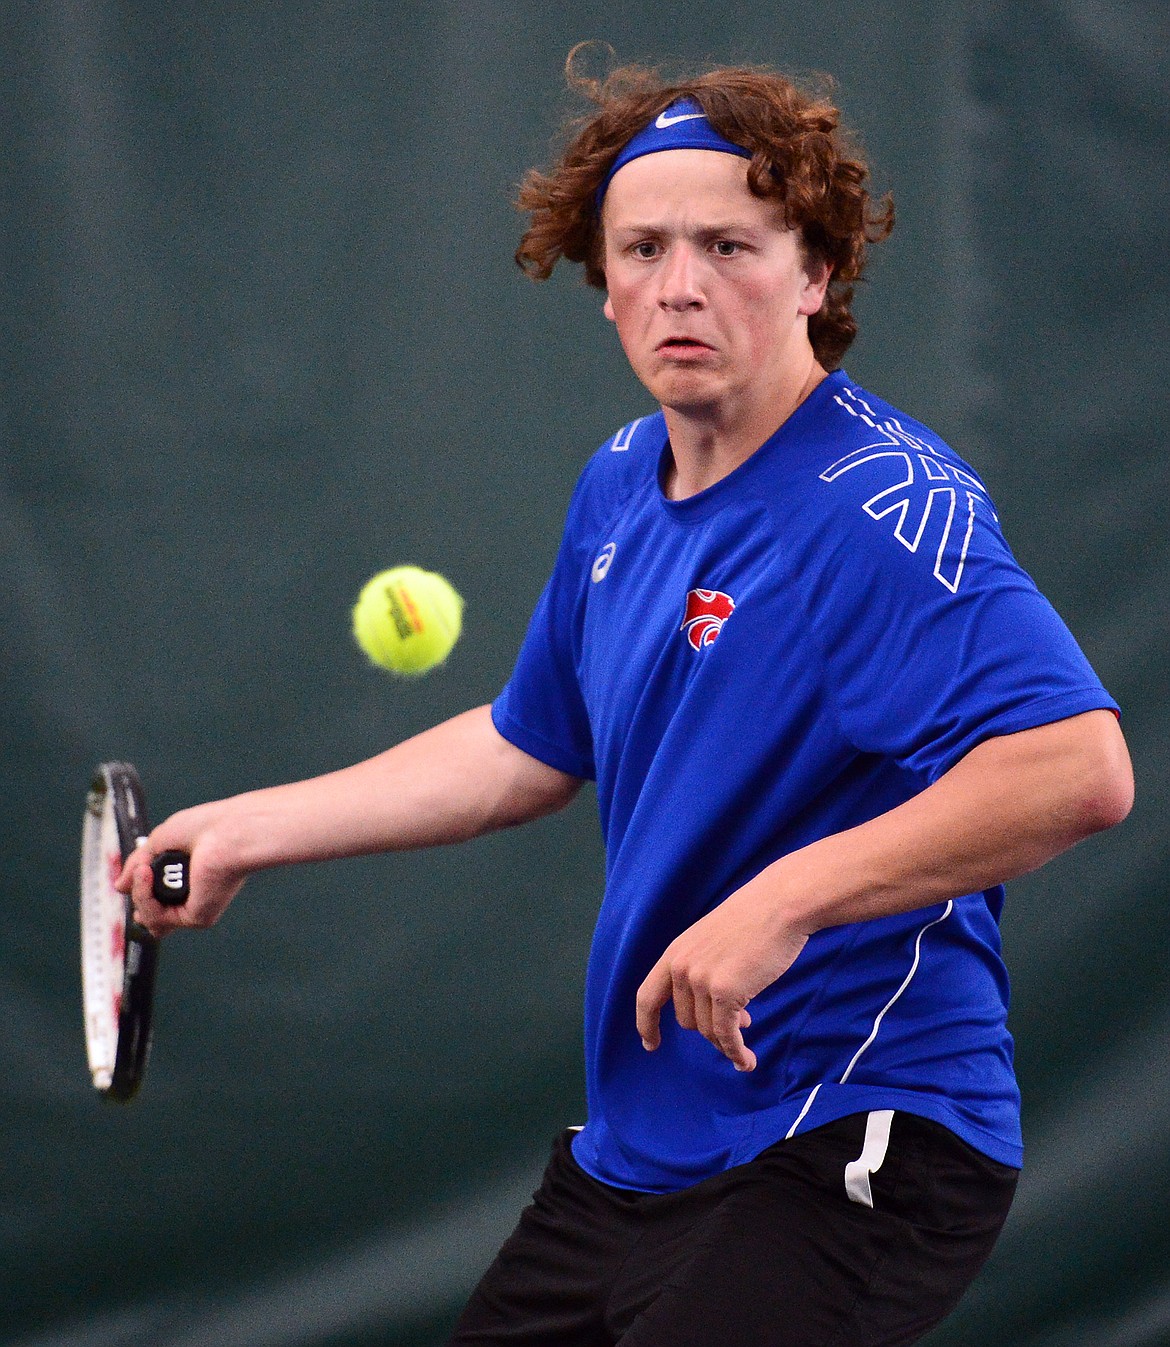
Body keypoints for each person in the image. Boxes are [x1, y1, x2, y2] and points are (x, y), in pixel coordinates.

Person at [121, 52, 1133, 1347]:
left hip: (853, 1131)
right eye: (642, 248)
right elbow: (523, 747)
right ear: (602, 289)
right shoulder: (619, 482)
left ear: (815, 275)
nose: (680, 285)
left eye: (728, 244)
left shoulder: (880, 509)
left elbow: (1075, 769)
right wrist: (256, 825)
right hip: (640, 1150)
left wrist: (781, 900)